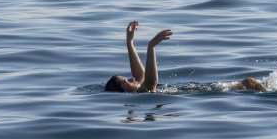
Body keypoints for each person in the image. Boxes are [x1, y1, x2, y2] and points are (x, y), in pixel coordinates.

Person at [104, 21, 265, 92]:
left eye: (127, 78)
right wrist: (151, 46)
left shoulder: (138, 88)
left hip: (207, 89)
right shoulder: (142, 91)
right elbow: (151, 81)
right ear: (123, 92)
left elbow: (140, 75)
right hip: (203, 94)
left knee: (250, 83)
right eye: (126, 82)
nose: (131, 79)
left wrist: (130, 41)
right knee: (251, 83)